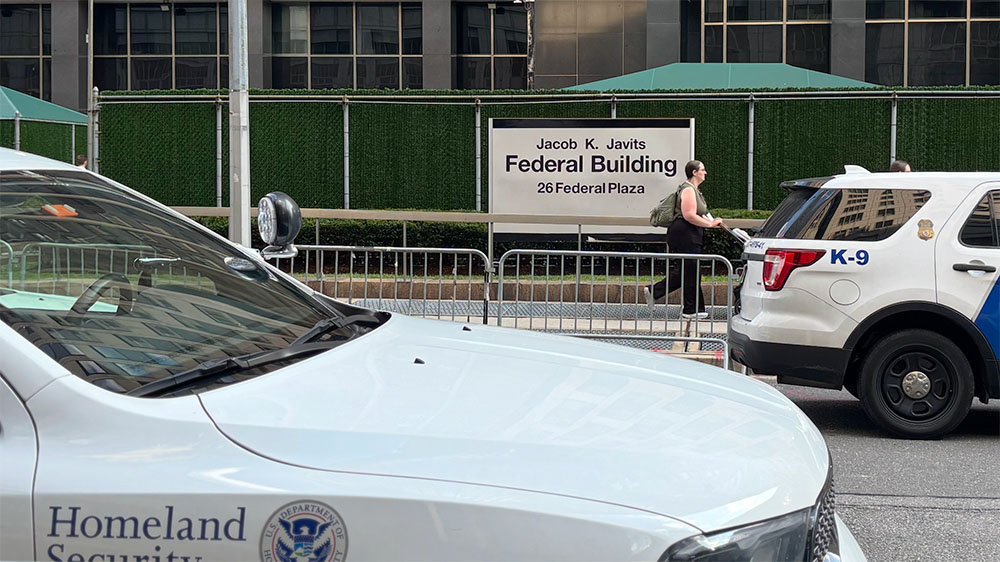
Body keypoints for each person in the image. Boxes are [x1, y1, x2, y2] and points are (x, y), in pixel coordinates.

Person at [644, 160, 723, 319]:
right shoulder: (688, 190)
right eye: (703, 169)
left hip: (690, 234)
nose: (705, 172)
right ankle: (690, 310)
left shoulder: (694, 190)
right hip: (685, 234)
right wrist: (710, 224)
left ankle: (691, 306)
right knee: (691, 270)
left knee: (689, 271)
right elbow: (689, 215)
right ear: (694, 172)